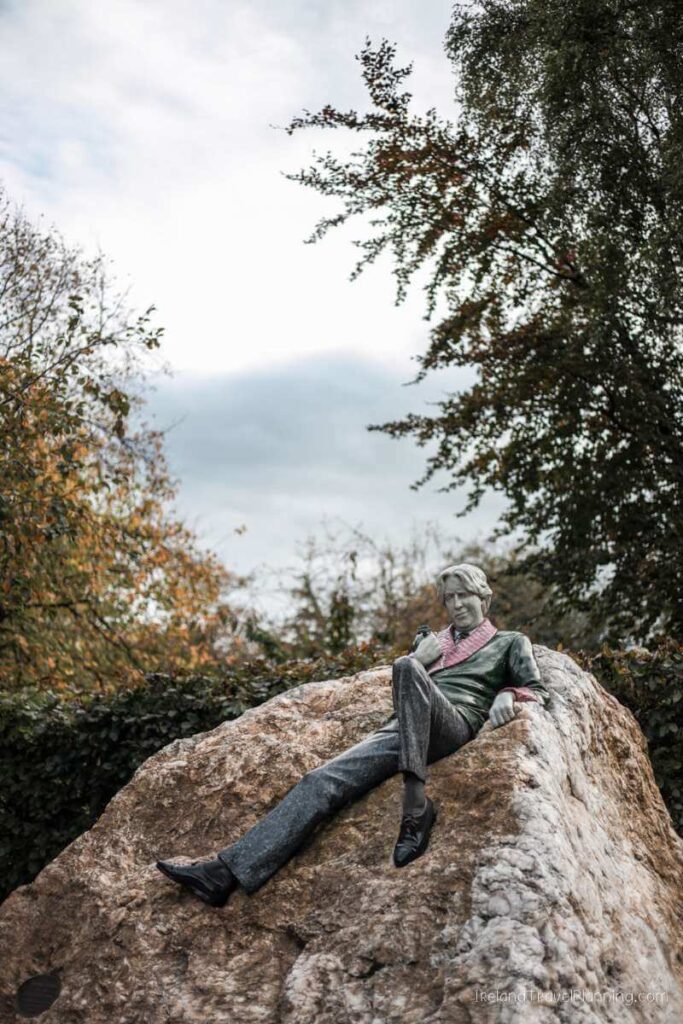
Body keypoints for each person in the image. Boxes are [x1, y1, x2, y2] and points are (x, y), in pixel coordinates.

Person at [156, 562, 549, 907]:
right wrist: (420, 659)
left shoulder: (509, 642)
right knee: (320, 780)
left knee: (405, 667)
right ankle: (223, 874)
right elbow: (406, 684)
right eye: (450, 598)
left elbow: (539, 689)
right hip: (402, 730)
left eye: (465, 596)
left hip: (453, 724)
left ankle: (415, 808)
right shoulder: (431, 646)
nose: (457, 604)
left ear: (485, 599)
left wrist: (508, 693)